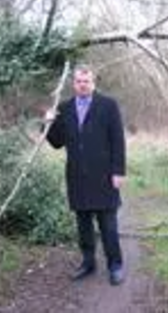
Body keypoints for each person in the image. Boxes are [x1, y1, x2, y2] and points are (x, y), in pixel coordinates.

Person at [44, 65, 126, 286]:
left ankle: (115, 265)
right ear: (74, 83)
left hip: (104, 176)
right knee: (84, 226)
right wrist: (49, 122)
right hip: (77, 177)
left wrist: (119, 171)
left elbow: (118, 140)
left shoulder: (108, 105)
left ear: (93, 82)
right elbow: (56, 142)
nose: (83, 84)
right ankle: (88, 263)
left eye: (87, 81)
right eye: (79, 81)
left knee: (108, 225)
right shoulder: (64, 108)